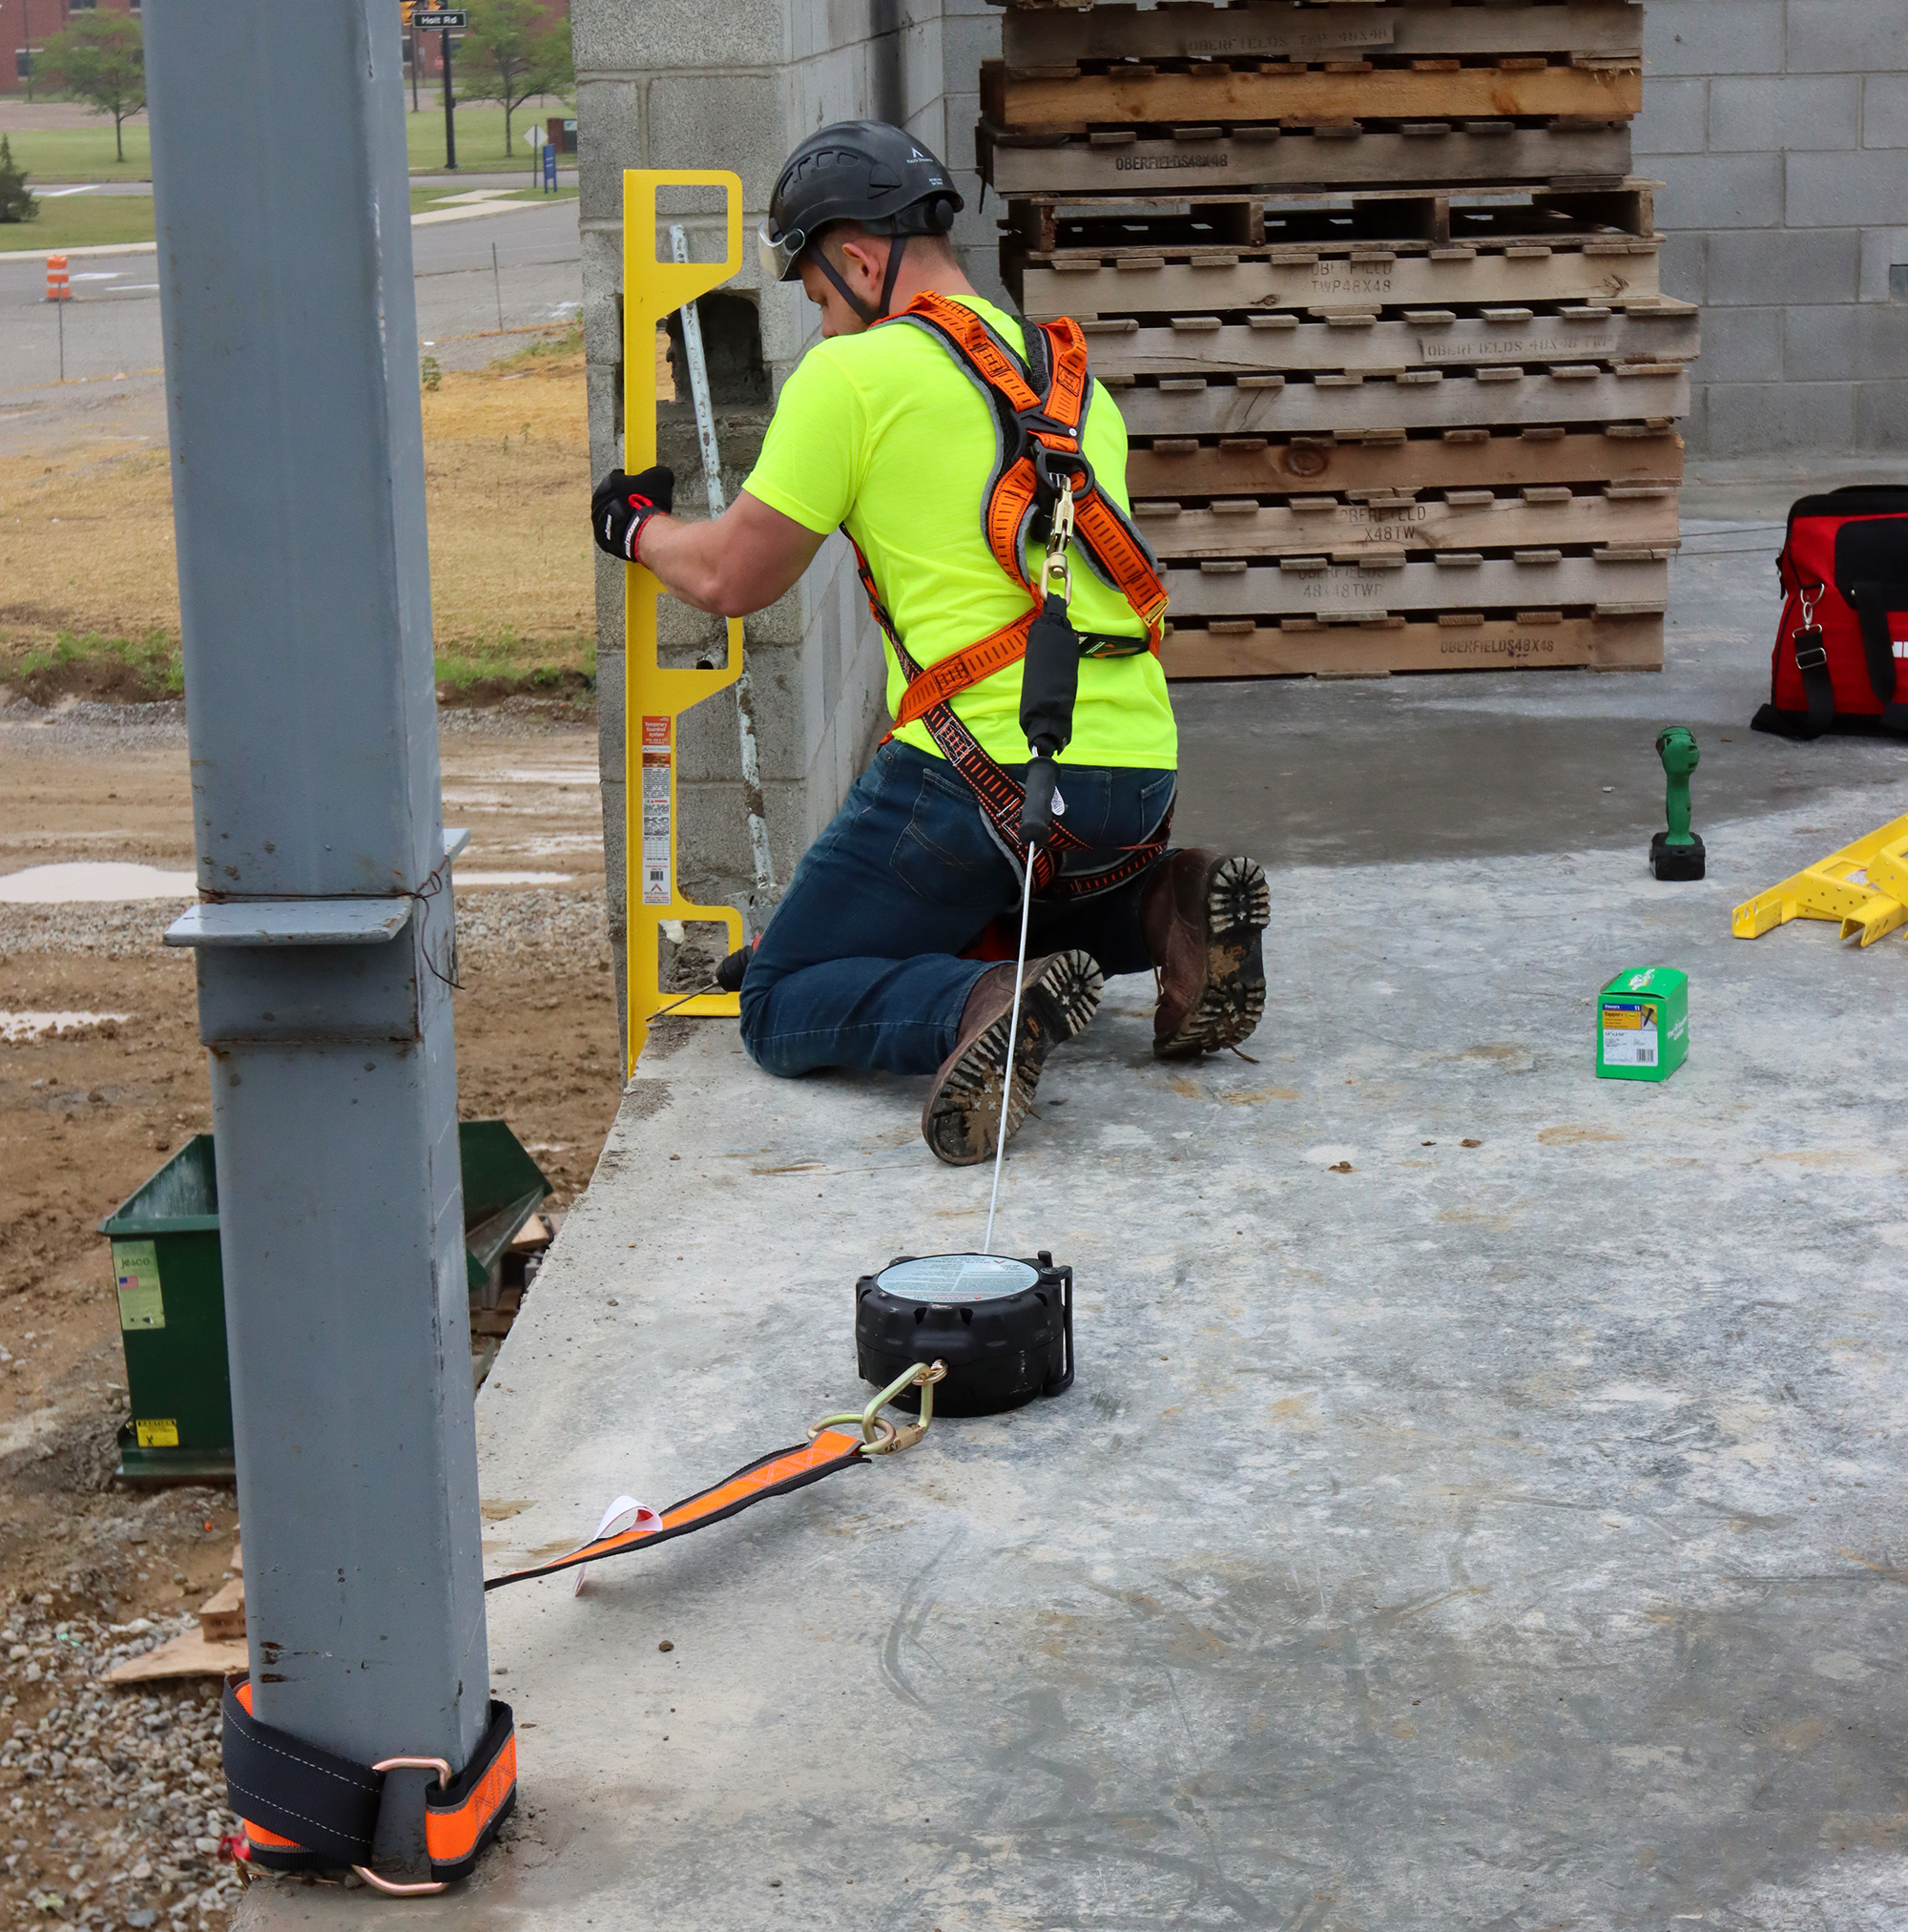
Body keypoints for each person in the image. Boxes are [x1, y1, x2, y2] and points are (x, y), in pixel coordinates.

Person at [591, 121, 1269, 1166]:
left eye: (817, 298)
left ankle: (980, 1000)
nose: (821, 328)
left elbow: (733, 576)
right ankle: (1161, 910)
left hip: (976, 776)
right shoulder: (1067, 381)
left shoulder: (853, 378)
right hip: (1131, 774)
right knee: (1014, 899)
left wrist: (638, 528)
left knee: (776, 999)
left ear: (859, 261)